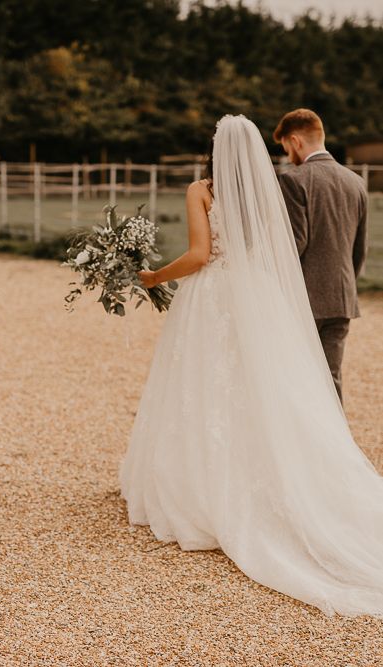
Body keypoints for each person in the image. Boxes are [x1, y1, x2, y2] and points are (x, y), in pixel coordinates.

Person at [119, 114, 383, 619]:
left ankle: (205, 485)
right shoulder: (269, 191)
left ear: (216, 149)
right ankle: (291, 471)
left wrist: (154, 276)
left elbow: (199, 255)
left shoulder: (203, 189)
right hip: (259, 295)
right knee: (275, 387)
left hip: (215, 296)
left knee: (203, 386)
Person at [273, 109, 368, 404]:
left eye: (286, 148)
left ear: (295, 140)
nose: (288, 156)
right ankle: (335, 445)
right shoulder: (355, 182)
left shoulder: (294, 180)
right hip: (341, 298)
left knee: (295, 378)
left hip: (304, 299)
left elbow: (294, 243)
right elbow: (359, 249)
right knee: (331, 378)